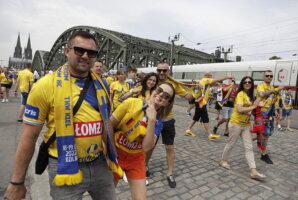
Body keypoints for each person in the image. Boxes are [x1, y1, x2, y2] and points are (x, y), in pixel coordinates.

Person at [4, 31, 116, 200]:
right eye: (79, 50)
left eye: (91, 53)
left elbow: (105, 124)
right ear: (66, 51)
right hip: (64, 166)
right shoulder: (45, 85)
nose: (86, 56)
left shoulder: (102, 84)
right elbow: (28, 137)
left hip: (100, 164)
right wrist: (17, 183)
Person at [110, 82, 175, 199]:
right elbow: (110, 124)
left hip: (136, 159)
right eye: (159, 90)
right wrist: (111, 153)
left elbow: (146, 147)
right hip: (116, 153)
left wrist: (151, 120)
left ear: (167, 103)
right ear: (154, 90)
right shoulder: (132, 103)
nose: (161, 95)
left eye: (166, 96)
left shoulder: (158, 122)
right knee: (108, 195)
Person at [146, 63, 195, 188]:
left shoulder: (174, 84)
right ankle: (144, 167)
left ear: (168, 71)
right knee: (149, 147)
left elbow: (189, 97)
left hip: (168, 120)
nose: (162, 72)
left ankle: (170, 173)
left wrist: (197, 89)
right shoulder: (152, 81)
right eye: (159, 70)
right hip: (153, 119)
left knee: (169, 147)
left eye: (164, 71)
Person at [220, 76, 266, 179]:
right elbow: (240, 109)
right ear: (242, 83)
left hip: (246, 125)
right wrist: (254, 106)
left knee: (249, 147)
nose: (247, 83)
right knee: (231, 144)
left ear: (252, 83)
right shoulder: (240, 94)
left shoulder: (251, 96)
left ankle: (253, 171)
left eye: (249, 82)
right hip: (236, 124)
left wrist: (259, 106)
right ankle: (223, 160)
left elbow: (252, 109)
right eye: (245, 82)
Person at [185, 72, 233, 139]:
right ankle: (210, 134)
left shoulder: (206, 82)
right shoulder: (205, 80)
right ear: (207, 76)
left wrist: (224, 83)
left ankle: (188, 130)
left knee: (196, 117)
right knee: (205, 118)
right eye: (211, 77)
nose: (212, 78)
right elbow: (215, 80)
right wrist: (227, 77)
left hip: (199, 102)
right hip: (201, 102)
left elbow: (219, 83)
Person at [256, 70, 283, 164]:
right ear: (264, 77)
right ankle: (263, 154)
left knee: (267, 133)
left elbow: (273, 100)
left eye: (271, 76)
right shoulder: (261, 85)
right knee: (266, 134)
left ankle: (259, 141)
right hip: (262, 112)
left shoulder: (271, 87)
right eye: (267, 76)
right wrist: (276, 89)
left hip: (270, 112)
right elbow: (262, 94)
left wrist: (276, 111)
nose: (269, 77)